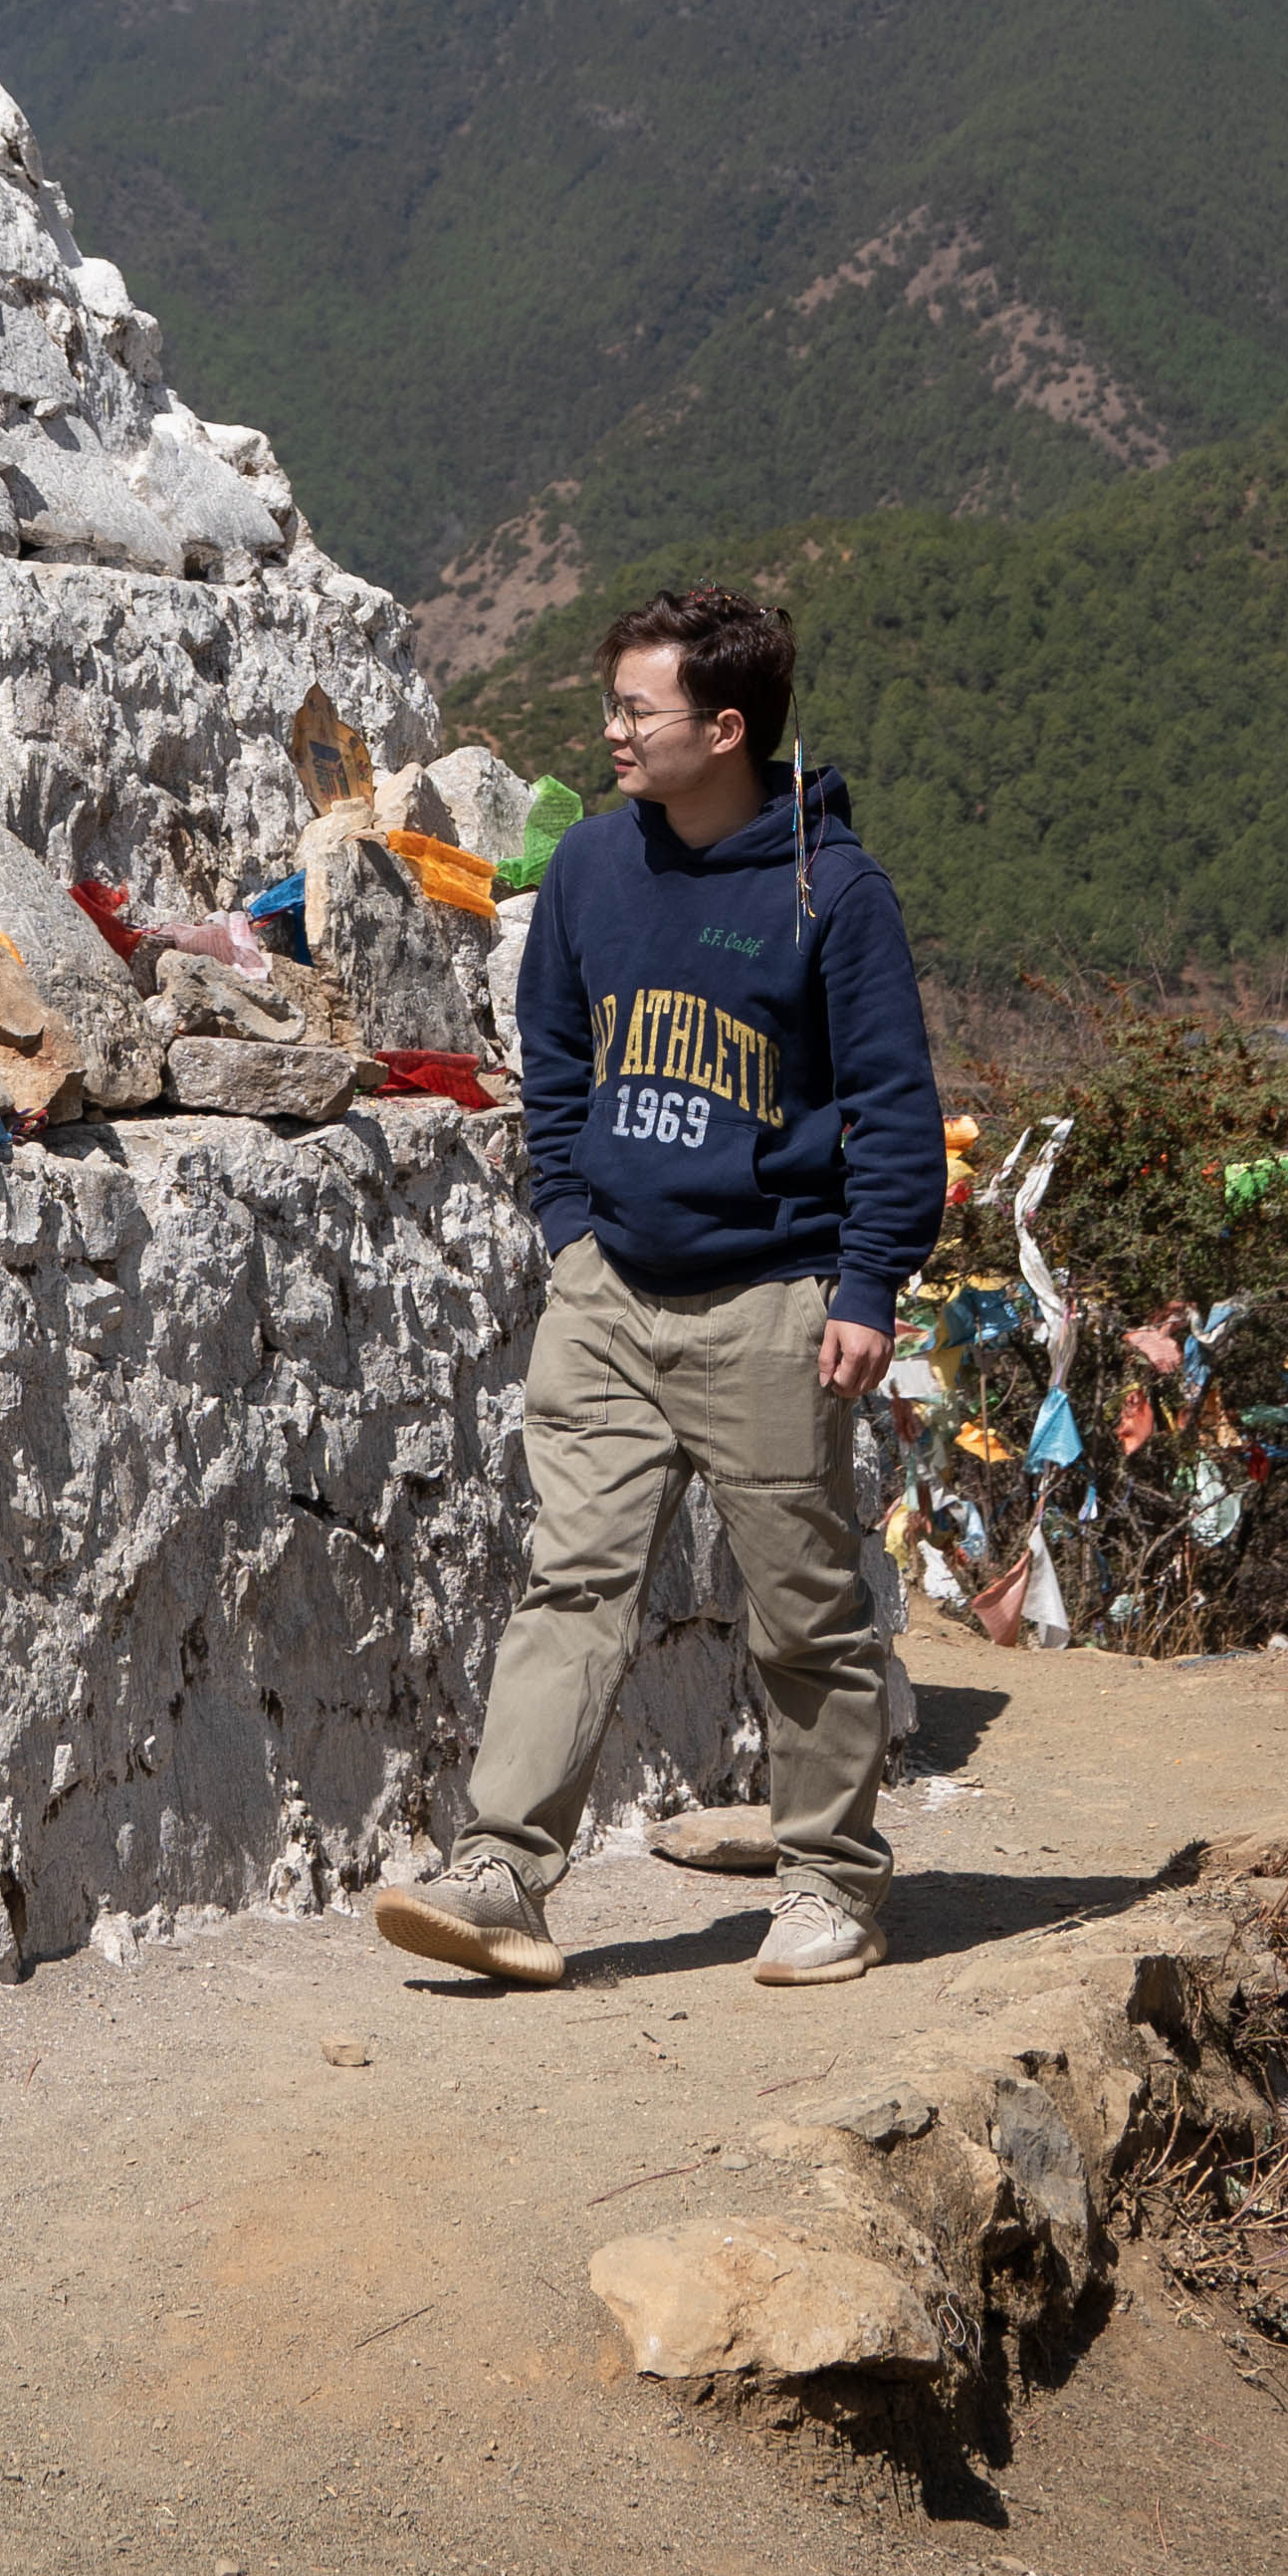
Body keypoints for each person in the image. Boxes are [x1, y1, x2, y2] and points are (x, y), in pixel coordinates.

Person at [378, 582, 944, 1991]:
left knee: (802, 1607)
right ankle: (506, 1868)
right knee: (571, 1581)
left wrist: (866, 1287)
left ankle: (831, 1882)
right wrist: (568, 1227)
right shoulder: (591, 874)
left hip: (772, 1302)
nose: (614, 732)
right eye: (616, 703)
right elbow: (553, 1060)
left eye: (641, 710)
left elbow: (896, 1105)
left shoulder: (835, 892)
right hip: (610, 1295)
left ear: (729, 726)